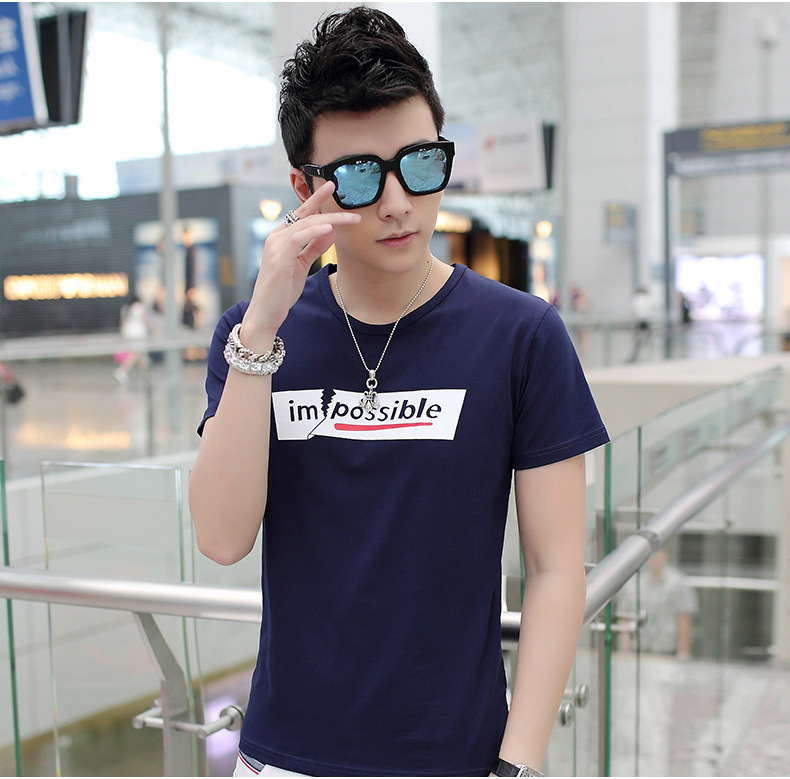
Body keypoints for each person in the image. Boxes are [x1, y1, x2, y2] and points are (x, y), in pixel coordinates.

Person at [189, 8, 609, 777]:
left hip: (456, 758)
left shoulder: (521, 336)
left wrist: (517, 762)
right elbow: (221, 538)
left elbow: (556, 568)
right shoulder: (254, 338)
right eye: (358, 175)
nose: (396, 202)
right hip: (283, 757)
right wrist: (263, 326)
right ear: (304, 188)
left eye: (419, 163)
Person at [617, 549, 699, 660]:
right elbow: (624, 617)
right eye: (652, 555)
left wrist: (683, 653)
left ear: (665, 555)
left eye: (658, 555)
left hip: (667, 651)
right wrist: (624, 650)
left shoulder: (678, 582)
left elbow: (684, 618)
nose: (654, 559)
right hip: (637, 651)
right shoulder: (632, 582)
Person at [114, 296, 150, 385]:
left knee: (141, 354)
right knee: (135, 354)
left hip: (128, 333)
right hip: (137, 334)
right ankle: (121, 372)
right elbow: (144, 319)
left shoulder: (125, 308)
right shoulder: (138, 307)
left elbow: (123, 323)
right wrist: (153, 329)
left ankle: (147, 373)